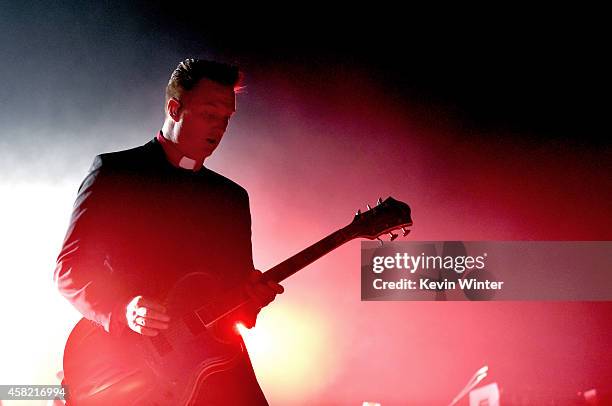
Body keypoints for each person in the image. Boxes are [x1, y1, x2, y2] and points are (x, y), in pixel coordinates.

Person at [54, 58, 283, 404]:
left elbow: (234, 298)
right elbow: (69, 271)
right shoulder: (116, 173)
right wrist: (122, 309)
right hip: (129, 361)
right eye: (209, 114)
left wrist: (253, 300)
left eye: (226, 119)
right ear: (175, 108)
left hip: (213, 362)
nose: (219, 129)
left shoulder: (232, 198)